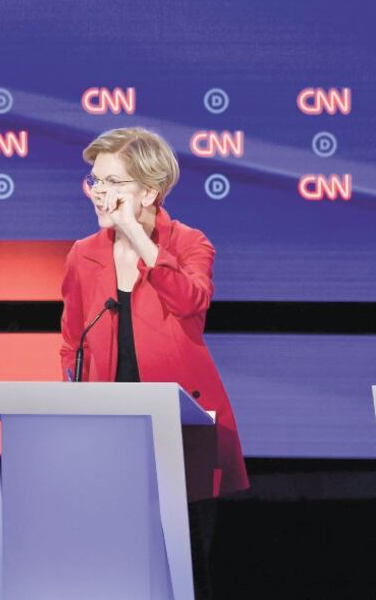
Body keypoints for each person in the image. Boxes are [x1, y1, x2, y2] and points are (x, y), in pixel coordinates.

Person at [60, 127, 249, 598]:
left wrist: (137, 239)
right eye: (95, 180)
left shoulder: (189, 243)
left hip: (183, 436)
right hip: (113, 439)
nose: (98, 192)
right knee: (119, 574)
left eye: (112, 182)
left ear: (149, 191)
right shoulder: (83, 256)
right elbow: (72, 345)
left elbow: (191, 301)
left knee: (186, 575)